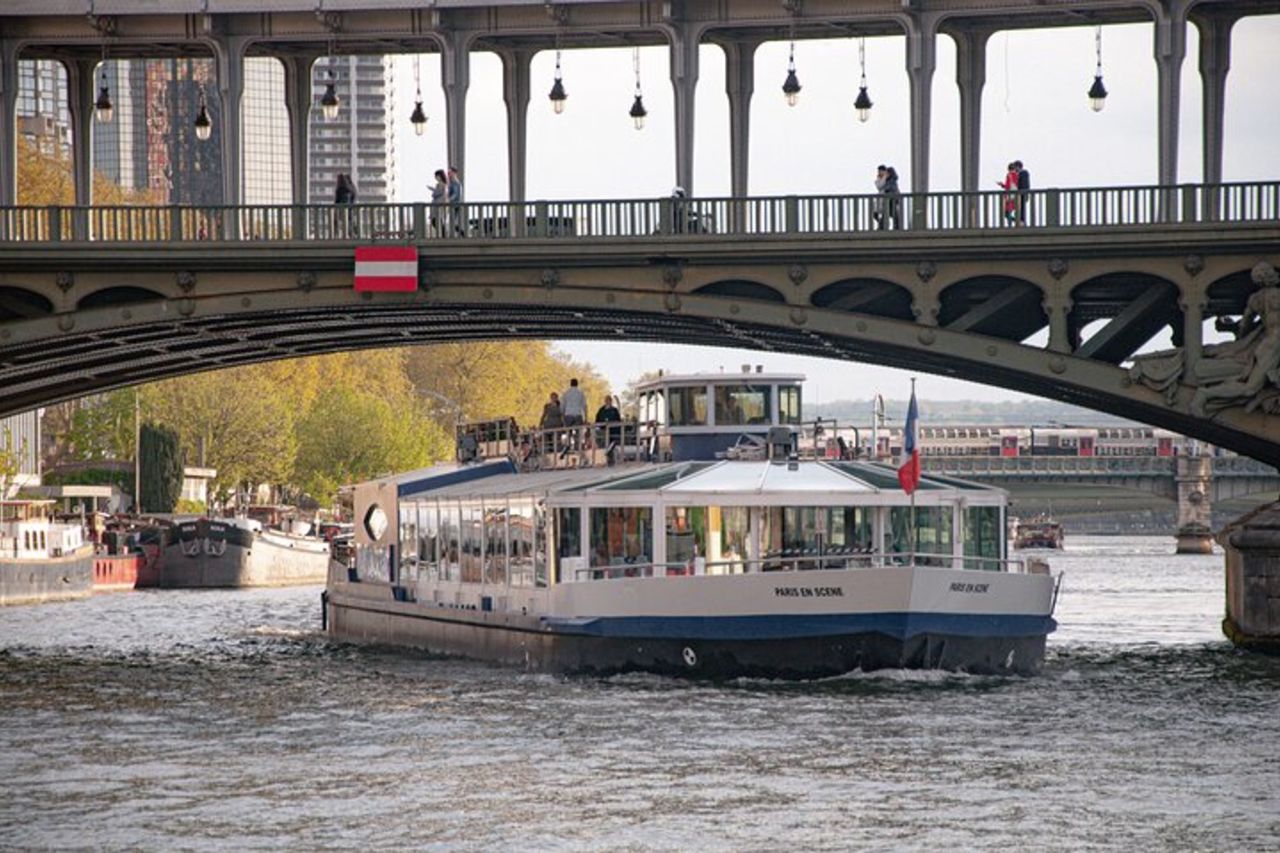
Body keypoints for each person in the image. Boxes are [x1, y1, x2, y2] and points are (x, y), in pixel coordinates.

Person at [594, 395, 623, 463]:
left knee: (612, 444)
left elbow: (618, 420)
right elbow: (597, 420)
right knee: (604, 443)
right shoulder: (601, 410)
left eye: (609, 400)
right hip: (603, 431)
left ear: (611, 401)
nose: (608, 402)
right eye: (607, 400)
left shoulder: (614, 410)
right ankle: (607, 457)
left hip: (613, 431)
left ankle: (611, 457)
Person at [561, 378, 587, 449]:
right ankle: (577, 447)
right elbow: (584, 406)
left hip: (568, 414)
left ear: (570, 384)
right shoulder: (580, 393)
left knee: (568, 432)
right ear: (577, 384)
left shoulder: (566, 393)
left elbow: (562, 405)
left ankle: (568, 447)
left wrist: (562, 416)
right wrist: (585, 417)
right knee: (578, 432)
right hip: (578, 414)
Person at [430, 169, 448, 237]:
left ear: (440, 176)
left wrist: (433, 190)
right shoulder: (441, 185)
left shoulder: (441, 185)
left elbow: (437, 193)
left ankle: (444, 235)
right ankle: (444, 235)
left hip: (439, 206)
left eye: (436, 176)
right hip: (438, 206)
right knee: (437, 221)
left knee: (436, 221)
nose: (435, 177)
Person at [447, 166, 464, 236]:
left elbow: (455, 194)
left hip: (455, 204)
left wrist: (448, 200)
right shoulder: (451, 182)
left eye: (450, 172)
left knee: (453, 222)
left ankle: (461, 233)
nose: (448, 174)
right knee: (453, 222)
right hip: (453, 204)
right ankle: (460, 233)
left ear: (454, 173)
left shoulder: (456, 183)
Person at [1014, 160, 1031, 225]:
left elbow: (1024, 184)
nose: (1015, 169)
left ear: (1018, 167)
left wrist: (1024, 193)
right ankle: (1021, 220)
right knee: (1020, 207)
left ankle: (1022, 221)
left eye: (1015, 167)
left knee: (1021, 207)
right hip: (1022, 193)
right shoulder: (1023, 173)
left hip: (1022, 193)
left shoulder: (1023, 173)